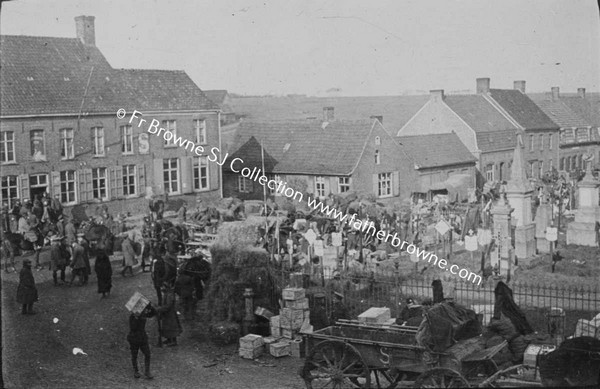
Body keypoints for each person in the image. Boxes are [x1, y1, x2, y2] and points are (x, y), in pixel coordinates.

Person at [127, 303, 156, 379]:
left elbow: (153, 313)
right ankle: (136, 371)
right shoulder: (132, 317)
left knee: (147, 354)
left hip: (143, 338)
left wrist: (150, 307)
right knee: (134, 355)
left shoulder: (143, 315)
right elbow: (133, 328)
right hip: (134, 339)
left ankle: (147, 371)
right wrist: (136, 318)